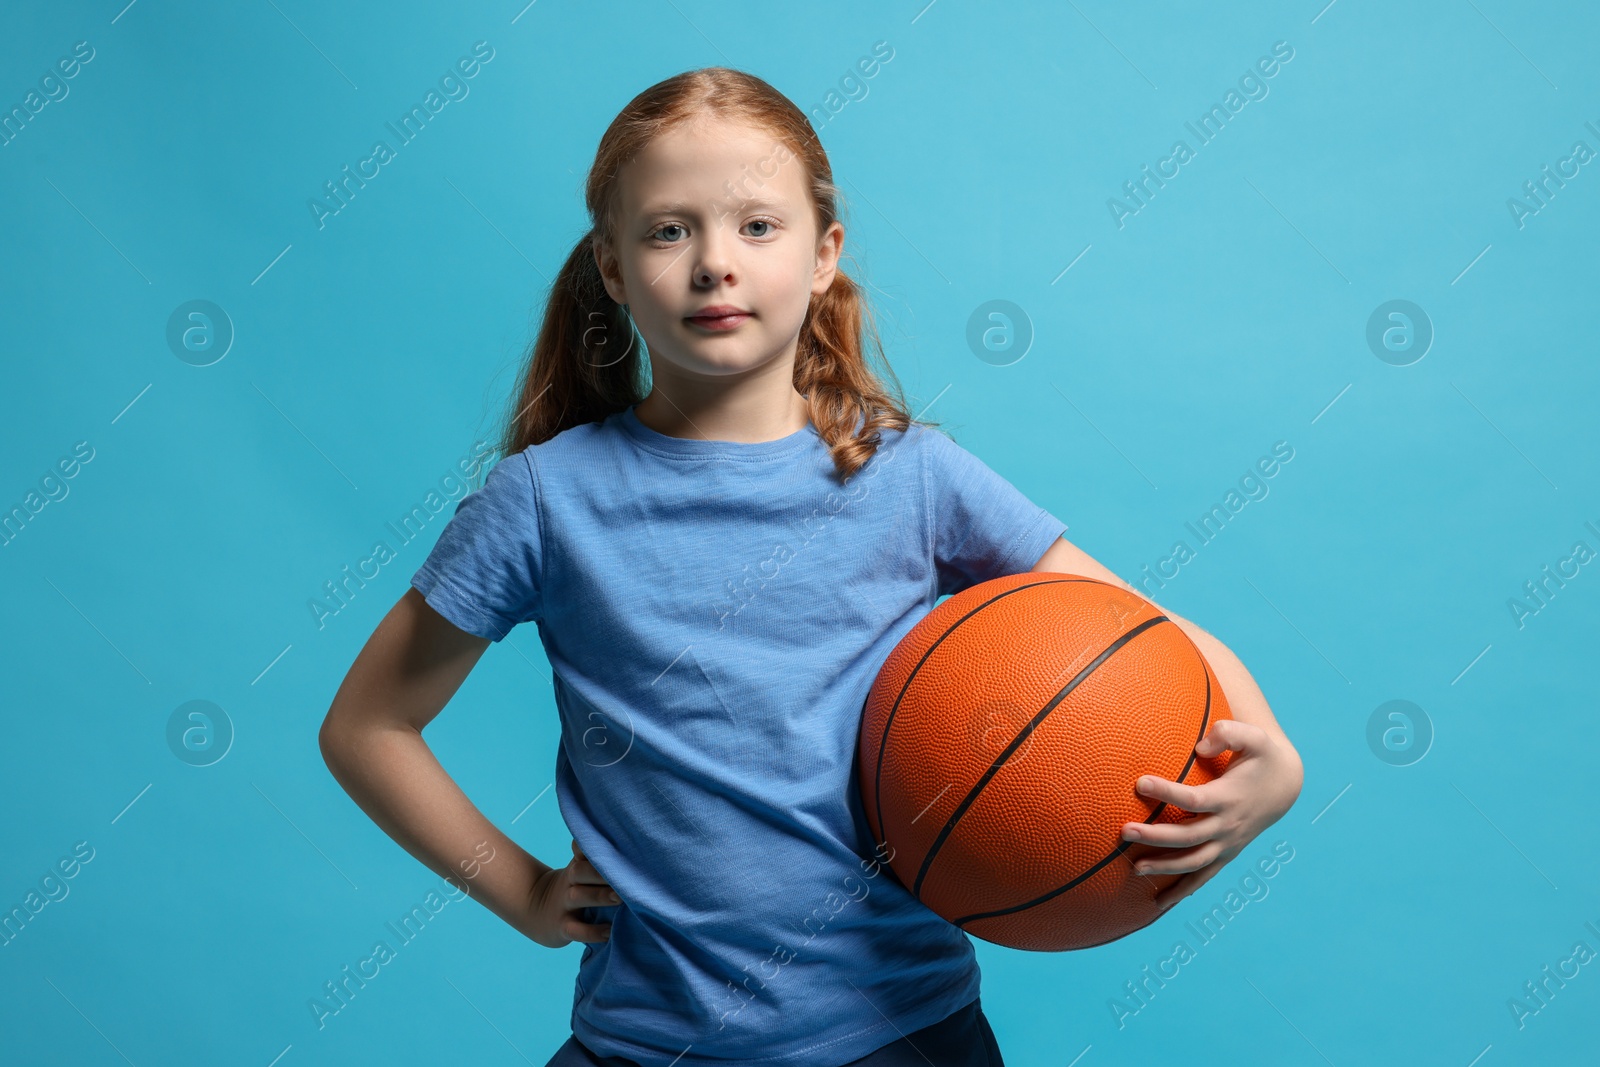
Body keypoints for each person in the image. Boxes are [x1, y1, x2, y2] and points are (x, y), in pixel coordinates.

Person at [318, 67, 1303, 1067]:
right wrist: (521, 888)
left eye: (756, 226)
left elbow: (1140, 626)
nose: (714, 264)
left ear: (824, 253)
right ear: (610, 267)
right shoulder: (544, 500)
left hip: (904, 1033)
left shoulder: (915, 478)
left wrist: (1269, 754)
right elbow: (367, 726)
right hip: (649, 1044)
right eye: (667, 230)